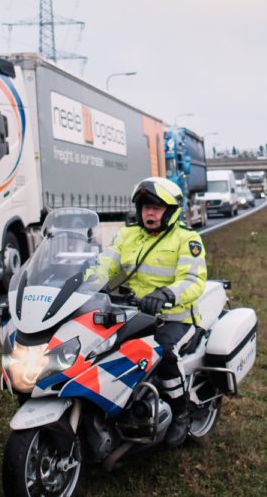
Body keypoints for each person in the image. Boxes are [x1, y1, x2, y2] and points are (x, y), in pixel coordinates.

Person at [95, 177, 207, 447]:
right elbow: (103, 265)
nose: (150, 212)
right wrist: (83, 283)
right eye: (145, 206)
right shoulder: (126, 235)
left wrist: (166, 294)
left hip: (176, 318)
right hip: (135, 316)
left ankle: (181, 413)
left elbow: (193, 281)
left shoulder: (187, 239)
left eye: (157, 207)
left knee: (163, 350)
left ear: (171, 211)